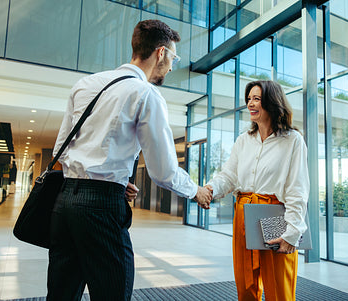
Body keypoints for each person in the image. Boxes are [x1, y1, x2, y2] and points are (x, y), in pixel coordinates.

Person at [48, 19, 212, 301]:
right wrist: (195, 190)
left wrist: (110, 181)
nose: (172, 66)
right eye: (173, 57)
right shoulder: (146, 94)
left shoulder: (85, 84)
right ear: (160, 53)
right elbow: (163, 171)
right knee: (113, 292)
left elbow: (60, 151)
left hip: (64, 205)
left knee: (61, 294)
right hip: (101, 210)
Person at [205, 80, 309, 301]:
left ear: (272, 102)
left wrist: (292, 233)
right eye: (249, 99)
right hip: (244, 214)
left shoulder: (292, 140)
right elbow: (230, 176)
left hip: (274, 214)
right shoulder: (244, 140)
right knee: (246, 285)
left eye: (257, 99)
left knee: (279, 288)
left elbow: (297, 190)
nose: (250, 104)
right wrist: (210, 190)